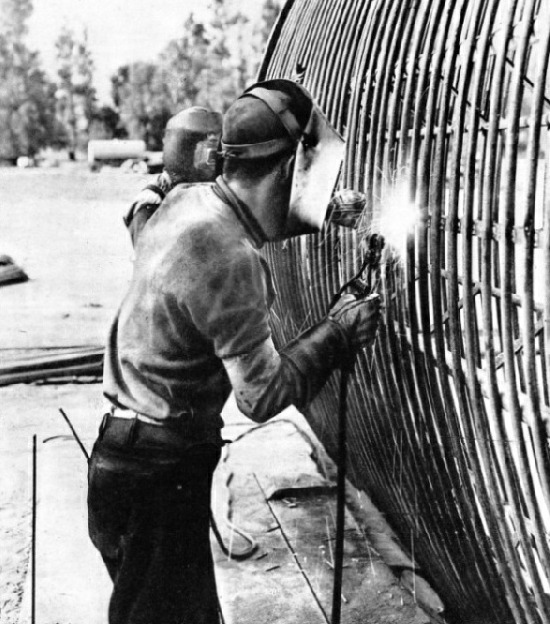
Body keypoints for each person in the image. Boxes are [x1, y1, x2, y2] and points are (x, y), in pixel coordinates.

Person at [87, 79, 381, 624]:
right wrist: (337, 333)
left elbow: (243, 216)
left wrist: (318, 212)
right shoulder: (232, 260)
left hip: (120, 463)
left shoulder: (186, 202)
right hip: (159, 476)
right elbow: (260, 395)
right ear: (289, 167)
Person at [124, 106, 223, 245]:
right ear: (185, 150)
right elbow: (150, 260)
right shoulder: (151, 202)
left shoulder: (210, 194)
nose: (212, 160)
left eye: (215, 150)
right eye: (207, 149)